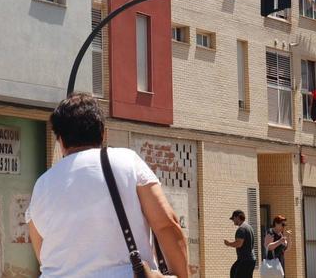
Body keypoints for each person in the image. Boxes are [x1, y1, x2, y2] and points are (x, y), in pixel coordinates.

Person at [27, 92, 190, 277]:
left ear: (61, 140)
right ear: (104, 133)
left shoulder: (42, 184)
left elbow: (43, 252)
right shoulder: (127, 161)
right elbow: (167, 224)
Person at [224, 209, 256, 277]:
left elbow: (239, 244)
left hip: (244, 260)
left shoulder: (241, 229)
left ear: (238, 217)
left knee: (235, 273)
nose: (233, 220)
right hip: (251, 259)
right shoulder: (249, 227)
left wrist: (229, 244)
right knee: (234, 270)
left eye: (233, 218)